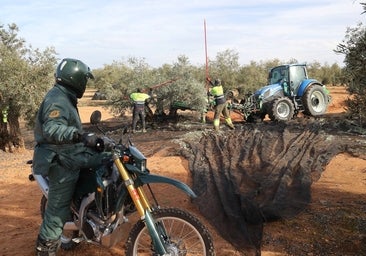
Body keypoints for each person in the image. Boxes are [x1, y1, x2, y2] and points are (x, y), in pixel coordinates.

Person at [33, 58, 105, 256]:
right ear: (76, 79)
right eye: (84, 80)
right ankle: (44, 251)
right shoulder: (57, 99)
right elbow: (52, 128)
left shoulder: (65, 96)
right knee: (56, 213)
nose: (85, 84)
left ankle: (92, 211)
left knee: (106, 159)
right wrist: (78, 135)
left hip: (69, 153)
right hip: (58, 159)